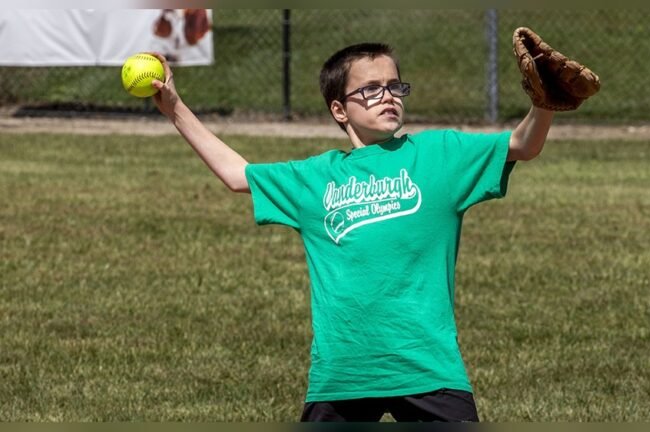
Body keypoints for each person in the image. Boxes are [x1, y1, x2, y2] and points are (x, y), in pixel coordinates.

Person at [149, 42, 554, 422]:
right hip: (344, 372)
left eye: (395, 86)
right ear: (340, 110)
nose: (388, 95)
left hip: (428, 366)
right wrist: (175, 108)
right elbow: (237, 175)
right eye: (371, 89)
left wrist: (544, 103)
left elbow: (522, 144)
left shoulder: (440, 156)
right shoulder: (316, 177)